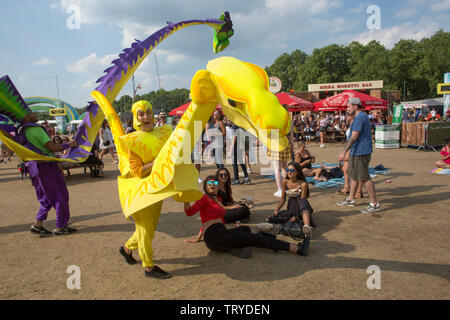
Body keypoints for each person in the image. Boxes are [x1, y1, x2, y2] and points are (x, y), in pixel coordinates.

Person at [183, 175, 310, 257]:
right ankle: (296, 249)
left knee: (245, 229)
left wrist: (200, 235)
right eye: (209, 182)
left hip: (220, 234)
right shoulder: (204, 198)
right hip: (215, 236)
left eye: (215, 182)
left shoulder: (218, 199)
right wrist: (185, 199)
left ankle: (234, 247)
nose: (212, 184)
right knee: (255, 238)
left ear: (218, 186)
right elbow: (190, 213)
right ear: (205, 186)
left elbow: (208, 219)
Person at [118, 100, 173, 279]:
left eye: (148, 112)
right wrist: (155, 163)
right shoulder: (132, 140)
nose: (146, 116)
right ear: (136, 117)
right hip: (139, 191)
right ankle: (148, 266)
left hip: (157, 187)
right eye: (141, 114)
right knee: (144, 228)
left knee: (150, 228)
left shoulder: (163, 133)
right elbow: (137, 170)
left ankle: (127, 249)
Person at [18, 112, 78, 235]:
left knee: (46, 197)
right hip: (47, 166)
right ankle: (60, 227)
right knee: (60, 195)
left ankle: (38, 224)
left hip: (35, 168)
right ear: (25, 117)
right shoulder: (36, 129)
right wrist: (69, 144)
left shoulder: (23, 132)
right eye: (30, 112)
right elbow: (52, 147)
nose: (34, 114)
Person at [337, 97, 380, 214]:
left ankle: (374, 203)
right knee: (354, 176)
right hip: (356, 151)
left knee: (365, 178)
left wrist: (344, 151)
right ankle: (351, 199)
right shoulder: (358, 117)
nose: (347, 109)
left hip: (362, 151)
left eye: (348, 106)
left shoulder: (360, 117)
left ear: (355, 106)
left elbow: (354, 136)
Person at [267, 162, 315, 238]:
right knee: (271, 218)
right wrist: (276, 210)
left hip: (301, 205)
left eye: (292, 170)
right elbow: (283, 199)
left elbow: (303, 199)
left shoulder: (303, 184)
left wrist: (297, 195)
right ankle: (296, 219)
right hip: (291, 205)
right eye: (287, 170)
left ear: (298, 172)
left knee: (303, 203)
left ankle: (307, 227)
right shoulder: (285, 182)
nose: (289, 172)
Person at [338, 114, 363, 198]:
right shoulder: (351, 125)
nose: (346, 117)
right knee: (345, 169)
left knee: (358, 172)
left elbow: (354, 140)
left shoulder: (357, 125)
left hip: (356, 150)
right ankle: (346, 187)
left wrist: (347, 152)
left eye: (348, 115)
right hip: (350, 149)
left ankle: (359, 191)